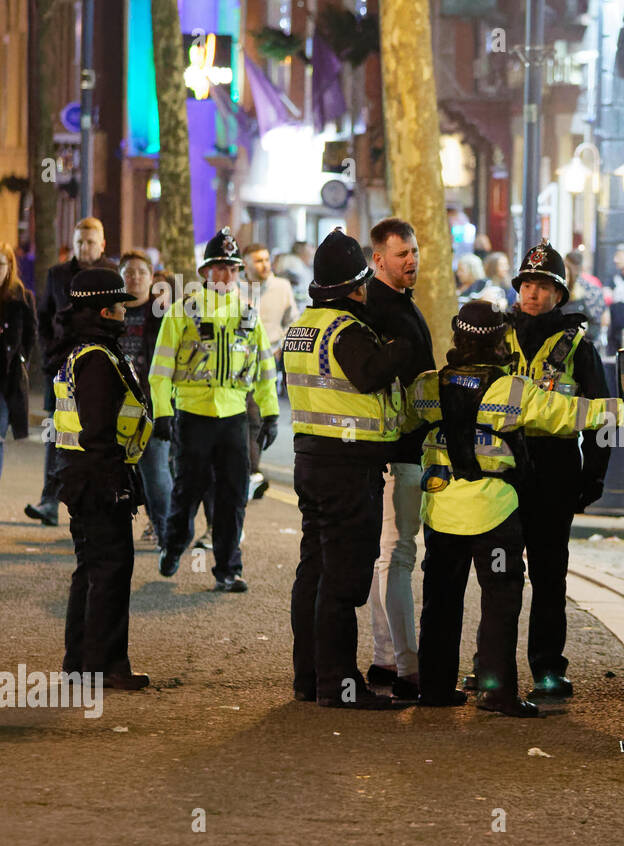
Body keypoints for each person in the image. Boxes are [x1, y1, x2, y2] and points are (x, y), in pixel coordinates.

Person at [407, 300, 624, 716]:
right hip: (492, 513)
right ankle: (497, 692)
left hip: (441, 511)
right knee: (500, 599)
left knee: (441, 600)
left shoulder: (428, 386)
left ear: (457, 339)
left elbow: (400, 419)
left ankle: (435, 688)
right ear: (498, 343)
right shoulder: (510, 390)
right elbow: (571, 413)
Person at [466, 239, 614, 699]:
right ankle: (490, 668)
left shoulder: (577, 346)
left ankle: (549, 669)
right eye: (526, 284)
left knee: (549, 575)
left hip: (554, 467)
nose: (531, 293)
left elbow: (601, 413)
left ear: (558, 293)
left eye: (542, 285)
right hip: (502, 466)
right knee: (498, 574)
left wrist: (594, 475)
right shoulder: (496, 336)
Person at [286, 228, 421, 709]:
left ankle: (310, 678)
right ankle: (339, 686)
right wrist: (402, 348)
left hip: (312, 461)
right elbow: (367, 376)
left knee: (315, 573)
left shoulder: (303, 325)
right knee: (342, 582)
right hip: (348, 468)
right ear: (354, 287)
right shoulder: (345, 331)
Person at [150, 228, 278, 592]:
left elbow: (265, 370)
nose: (226, 276)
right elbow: (159, 370)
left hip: (234, 416)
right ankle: (174, 546)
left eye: (233, 269)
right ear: (205, 272)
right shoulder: (181, 311)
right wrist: (162, 412)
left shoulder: (249, 314)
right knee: (187, 490)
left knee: (234, 494)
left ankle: (228, 568)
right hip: (192, 415)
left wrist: (270, 413)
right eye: (219, 268)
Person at [49, 269, 153, 690]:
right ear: (99, 310)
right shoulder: (96, 357)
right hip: (98, 480)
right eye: (115, 307)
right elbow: (97, 431)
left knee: (91, 569)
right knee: (109, 570)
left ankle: (82, 662)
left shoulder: (85, 350)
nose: (122, 314)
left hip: (84, 477)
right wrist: (117, 483)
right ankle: (105, 666)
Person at [363, 218, 436, 700]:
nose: (411, 260)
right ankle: (407, 666)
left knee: (385, 556)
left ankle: (386, 659)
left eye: (413, 251)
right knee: (398, 554)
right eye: (401, 254)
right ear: (378, 260)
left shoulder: (392, 304)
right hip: (398, 449)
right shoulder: (382, 310)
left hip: (395, 448)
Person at [27, 217, 116, 527]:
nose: (83, 247)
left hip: (100, 370)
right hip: (62, 369)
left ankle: (97, 505)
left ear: (102, 244)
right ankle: (49, 501)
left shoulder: (112, 275)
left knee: (98, 438)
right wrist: (51, 355)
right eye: (79, 241)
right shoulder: (57, 275)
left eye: (90, 242)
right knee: (56, 436)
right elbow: (44, 317)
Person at [117, 250, 170, 546]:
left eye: (140, 272)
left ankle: (166, 533)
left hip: (152, 404)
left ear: (151, 279)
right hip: (115, 405)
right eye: (128, 272)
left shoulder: (162, 314)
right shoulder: (111, 310)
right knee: (115, 474)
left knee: (156, 472)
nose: (134, 277)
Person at [243, 243, 300, 499]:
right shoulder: (234, 288)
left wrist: (281, 346)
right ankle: (245, 470)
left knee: (256, 419)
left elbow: (292, 322)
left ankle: (251, 471)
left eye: (266, 259)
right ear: (245, 264)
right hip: (237, 363)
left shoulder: (282, 288)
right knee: (238, 419)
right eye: (258, 260)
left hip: (267, 363)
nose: (265, 265)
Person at [1, 242, 37, 485]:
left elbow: (29, 339)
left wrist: (18, 362)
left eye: (0, 264)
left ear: (10, 266)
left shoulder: (21, 299)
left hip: (4, 381)